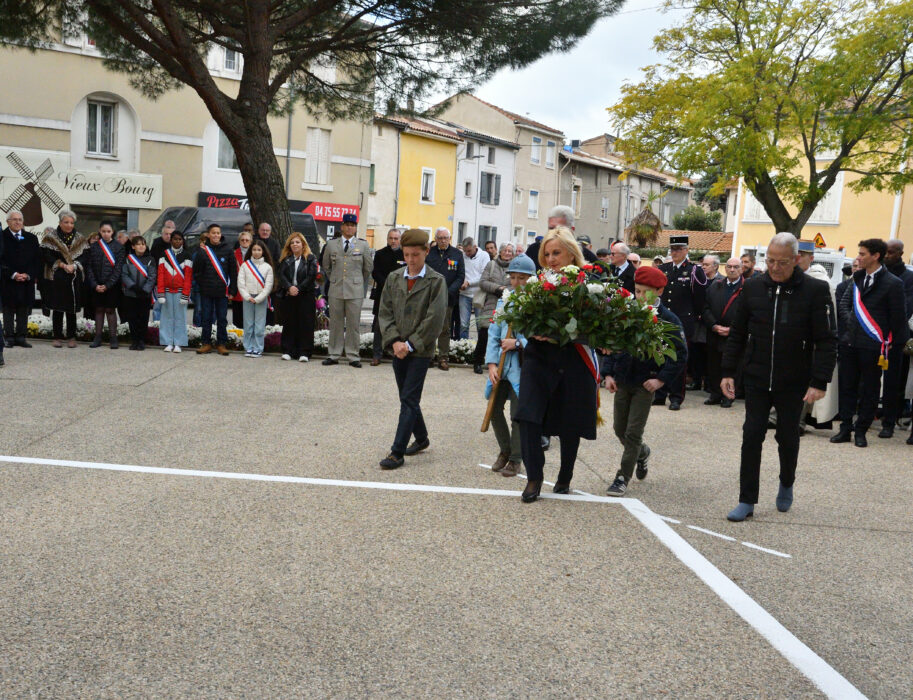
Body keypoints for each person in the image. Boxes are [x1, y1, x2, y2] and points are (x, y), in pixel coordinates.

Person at [721, 232, 836, 521]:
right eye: (770, 261)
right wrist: (728, 371)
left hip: (793, 379)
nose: (774, 267)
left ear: (797, 260)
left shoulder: (815, 290)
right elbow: (737, 333)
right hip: (757, 375)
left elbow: (826, 339)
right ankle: (747, 500)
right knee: (751, 435)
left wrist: (819, 381)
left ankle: (786, 482)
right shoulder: (754, 288)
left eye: (782, 262)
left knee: (787, 437)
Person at [515, 226, 600, 503]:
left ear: (571, 254)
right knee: (527, 416)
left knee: (569, 422)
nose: (551, 259)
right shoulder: (537, 283)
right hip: (538, 358)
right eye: (547, 254)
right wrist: (531, 330)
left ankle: (565, 476)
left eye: (556, 253)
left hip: (572, 359)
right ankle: (534, 477)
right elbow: (521, 319)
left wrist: (555, 332)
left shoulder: (588, 285)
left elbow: (595, 330)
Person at [603, 266, 687, 496]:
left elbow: (680, 355)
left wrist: (661, 380)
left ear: (659, 291)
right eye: (637, 291)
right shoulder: (627, 313)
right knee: (619, 429)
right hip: (623, 379)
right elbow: (613, 345)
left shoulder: (668, 320)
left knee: (632, 433)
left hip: (645, 383)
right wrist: (608, 373)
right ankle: (642, 453)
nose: (640, 296)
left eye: (645, 292)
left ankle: (622, 478)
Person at [377, 228, 448, 469]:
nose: (410, 260)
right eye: (406, 255)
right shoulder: (395, 277)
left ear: (427, 251)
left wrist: (410, 343)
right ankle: (422, 438)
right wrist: (395, 341)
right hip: (398, 348)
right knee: (407, 397)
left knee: (408, 398)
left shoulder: (436, 281)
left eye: (415, 255)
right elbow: (384, 311)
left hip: (420, 350)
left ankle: (397, 452)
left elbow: (435, 319)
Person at [831, 238, 909, 446]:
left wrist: (893, 341)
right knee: (847, 386)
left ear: (876, 256)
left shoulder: (893, 283)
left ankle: (861, 431)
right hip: (850, 341)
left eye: (863, 254)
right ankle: (845, 427)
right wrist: (854, 324)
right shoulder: (857, 277)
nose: (858, 258)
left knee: (870, 389)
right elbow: (845, 304)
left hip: (874, 344)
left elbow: (898, 317)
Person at [485, 253, 535, 478]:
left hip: (521, 369)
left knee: (517, 414)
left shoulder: (537, 303)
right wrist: (492, 363)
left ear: (531, 279)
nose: (516, 283)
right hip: (502, 366)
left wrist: (517, 343)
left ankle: (516, 459)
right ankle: (505, 450)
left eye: (522, 278)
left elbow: (536, 337)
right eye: (513, 278)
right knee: (494, 408)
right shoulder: (504, 300)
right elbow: (494, 332)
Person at [657, 234, 708, 409]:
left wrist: (694, 317)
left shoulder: (694, 270)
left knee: (679, 359)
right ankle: (660, 393)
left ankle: (676, 397)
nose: (675, 252)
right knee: (660, 355)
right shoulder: (663, 268)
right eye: (673, 249)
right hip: (663, 319)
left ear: (686, 250)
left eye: (679, 249)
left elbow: (700, 299)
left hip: (683, 321)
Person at [320, 213, 372, 367]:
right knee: (335, 323)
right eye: (347, 225)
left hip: (355, 291)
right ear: (342, 226)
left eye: (353, 225)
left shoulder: (363, 245)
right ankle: (334, 354)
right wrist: (335, 279)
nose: (350, 227)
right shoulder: (331, 244)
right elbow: (326, 266)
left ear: (355, 228)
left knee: (353, 324)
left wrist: (356, 281)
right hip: (336, 289)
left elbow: (367, 267)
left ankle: (353, 355)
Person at [39, 210, 89, 348]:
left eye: (72, 223)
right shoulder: (50, 238)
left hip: (73, 276)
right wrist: (61, 265)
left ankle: (72, 336)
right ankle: (57, 336)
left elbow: (85, 256)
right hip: (57, 276)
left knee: (71, 309)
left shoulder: (80, 238)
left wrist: (74, 265)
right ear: (60, 222)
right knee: (57, 307)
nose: (69, 225)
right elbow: (46, 255)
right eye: (66, 222)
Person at [881, 240, 913, 439]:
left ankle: (889, 422)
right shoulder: (879, 273)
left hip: (895, 337)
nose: (887, 255)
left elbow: (906, 307)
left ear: (901, 253)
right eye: (885, 252)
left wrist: (887, 326)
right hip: (874, 334)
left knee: (894, 382)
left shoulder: (909, 278)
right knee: (870, 380)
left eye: (891, 252)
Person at [702, 257, 744, 406]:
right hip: (715, 333)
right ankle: (715, 394)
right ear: (725, 268)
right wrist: (713, 325)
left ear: (741, 269)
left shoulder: (746, 288)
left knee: (731, 367)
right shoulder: (715, 286)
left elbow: (749, 313)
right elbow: (705, 308)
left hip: (733, 336)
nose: (732, 269)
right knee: (713, 365)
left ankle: (729, 396)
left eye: (736, 267)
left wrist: (732, 330)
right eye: (729, 266)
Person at [193, 224, 237, 355]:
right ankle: (206, 343)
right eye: (213, 233)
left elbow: (233, 272)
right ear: (208, 234)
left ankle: (221, 344)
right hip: (206, 291)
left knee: (222, 318)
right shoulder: (202, 251)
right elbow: (197, 271)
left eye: (218, 233)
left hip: (222, 291)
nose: (216, 235)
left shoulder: (228, 250)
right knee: (206, 317)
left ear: (221, 234)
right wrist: (203, 284)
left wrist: (233, 290)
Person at [425, 226, 465, 370]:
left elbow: (460, 276)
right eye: (440, 238)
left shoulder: (457, 254)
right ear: (435, 239)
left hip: (448, 297)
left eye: (445, 238)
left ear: (450, 238)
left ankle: (443, 358)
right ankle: (428, 356)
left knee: (444, 328)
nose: (443, 241)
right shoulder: (429, 254)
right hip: (430, 296)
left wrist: (449, 291)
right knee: (428, 326)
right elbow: (424, 274)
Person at [1, 210, 40, 348]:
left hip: (26, 281)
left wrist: (28, 274)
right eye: (14, 219)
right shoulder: (2, 237)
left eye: (20, 220)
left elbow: (36, 260)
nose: (17, 222)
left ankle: (21, 336)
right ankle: (9, 336)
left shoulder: (31, 238)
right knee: (8, 309)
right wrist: (13, 274)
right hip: (8, 280)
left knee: (24, 308)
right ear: (8, 222)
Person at [276, 232, 318, 362]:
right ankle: (288, 350)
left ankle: (304, 352)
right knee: (289, 323)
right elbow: (281, 275)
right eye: (292, 242)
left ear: (303, 244)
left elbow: (311, 276)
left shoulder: (310, 259)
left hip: (306, 295)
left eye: (297, 242)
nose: (295, 244)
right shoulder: (286, 259)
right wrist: (289, 287)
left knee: (305, 323)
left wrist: (298, 288)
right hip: (290, 295)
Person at [85, 220, 126, 349]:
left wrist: (108, 285)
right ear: (99, 231)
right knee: (98, 309)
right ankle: (98, 337)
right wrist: (95, 284)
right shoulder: (94, 247)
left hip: (112, 286)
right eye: (103, 231)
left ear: (112, 232)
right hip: (96, 284)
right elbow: (89, 267)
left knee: (110, 310)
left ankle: (113, 338)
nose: (106, 234)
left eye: (108, 231)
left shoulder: (119, 247)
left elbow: (118, 269)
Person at [476, 243, 515, 375]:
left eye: (510, 251)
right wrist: (497, 288)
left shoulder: (515, 267)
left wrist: (507, 291)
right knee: (485, 333)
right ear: (500, 251)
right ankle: (477, 361)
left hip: (508, 305)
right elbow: (483, 282)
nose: (507, 253)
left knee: (503, 334)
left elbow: (519, 284)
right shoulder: (491, 265)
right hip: (491, 303)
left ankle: (497, 363)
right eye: (505, 250)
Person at [370, 228, 405, 365]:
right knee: (379, 326)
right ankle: (377, 355)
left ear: (400, 240)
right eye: (391, 238)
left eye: (396, 239)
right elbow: (375, 272)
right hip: (383, 294)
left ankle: (396, 353)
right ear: (387, 239)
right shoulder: (380, 254)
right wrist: (387, 284)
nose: (393, 241)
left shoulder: (405, 255)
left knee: (399, 326)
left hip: (401, 295)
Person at [156, 229, 192, 353]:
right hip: (166, 291)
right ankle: (167, 342)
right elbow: (160, 274)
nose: (177, 241)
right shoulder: (164, 254)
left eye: (179, 239)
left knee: (180, 318)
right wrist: (160, 292)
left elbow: (188, 277)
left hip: (181, 291)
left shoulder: (187, 255)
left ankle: (178, 343)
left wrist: (185, 294)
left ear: (182, 241)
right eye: (175, 239)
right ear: (171, 240)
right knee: (166, 317)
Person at [237, 239, 275, 358]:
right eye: (254, 249)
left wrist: (258, 298)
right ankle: (248, 347)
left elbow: (268, 286)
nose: (256, 252)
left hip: (261, 298)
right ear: (251, 251)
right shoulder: (245, 265)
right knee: (248, 324)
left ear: (263, 251)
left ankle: (258, 348)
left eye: (259, 250)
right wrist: (247, 296)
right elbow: (241, 283)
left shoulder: (267, 267)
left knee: (259, 325)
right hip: (247, 298)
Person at [121, 235, 157, 351]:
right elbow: (124, 275)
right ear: (133, 246)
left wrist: (145, 289)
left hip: (144, 295)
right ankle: (134, 340)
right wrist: (132, 286)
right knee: (132, 318)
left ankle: (141, 340)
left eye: (143, 244)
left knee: (143, 318)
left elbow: (152, 277)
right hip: (131, 293)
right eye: (138, 244)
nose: (141, 246)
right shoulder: (127, 259)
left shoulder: (151, 259)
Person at [459, 237, 490, 345]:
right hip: (464, 294)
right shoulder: (462, 255)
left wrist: (468, 282)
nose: (467, 253)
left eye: (469, 251)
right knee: (463, 324)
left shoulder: (484, 256)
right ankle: (463, 346)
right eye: (465, 251)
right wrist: (461, 282)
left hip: (479, 293)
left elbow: (484, 275)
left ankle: (480, 348)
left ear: (475, 247)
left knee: (480, 323)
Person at [231, 229, 253, 328]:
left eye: (247, 240)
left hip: (251, 290)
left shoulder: (255, 254)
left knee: (250, 318)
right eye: (242, 240)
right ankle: (238, 341)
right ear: (239, 241)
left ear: (251, 242)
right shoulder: (233, 254)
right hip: (238, 291)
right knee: (237, 317)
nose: (244, 242)